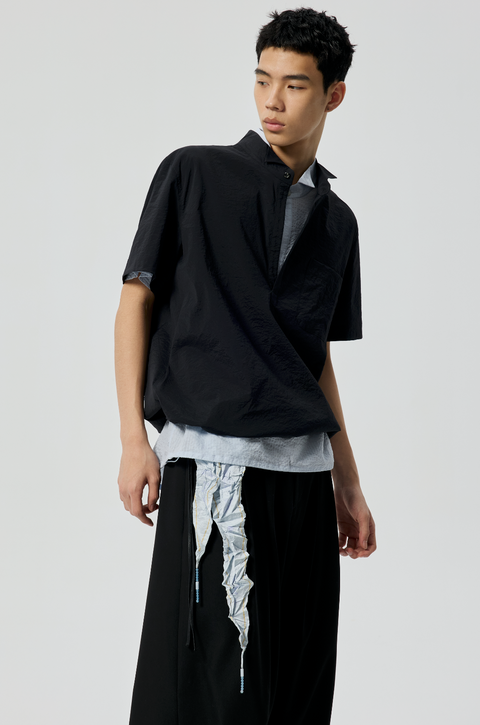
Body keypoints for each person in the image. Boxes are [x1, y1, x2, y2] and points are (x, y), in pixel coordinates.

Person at [114, 7, 376, 724]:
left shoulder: (338, 222)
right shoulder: (193, 172)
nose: (272, 100)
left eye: (295, 84)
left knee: (294, 689)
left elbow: (314, 358)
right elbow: (136, 300)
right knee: (210, 691)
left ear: (334, 95)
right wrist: (134, 440)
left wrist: (348, 482)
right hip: (213, 470)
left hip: (305, 480)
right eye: (263, 80)